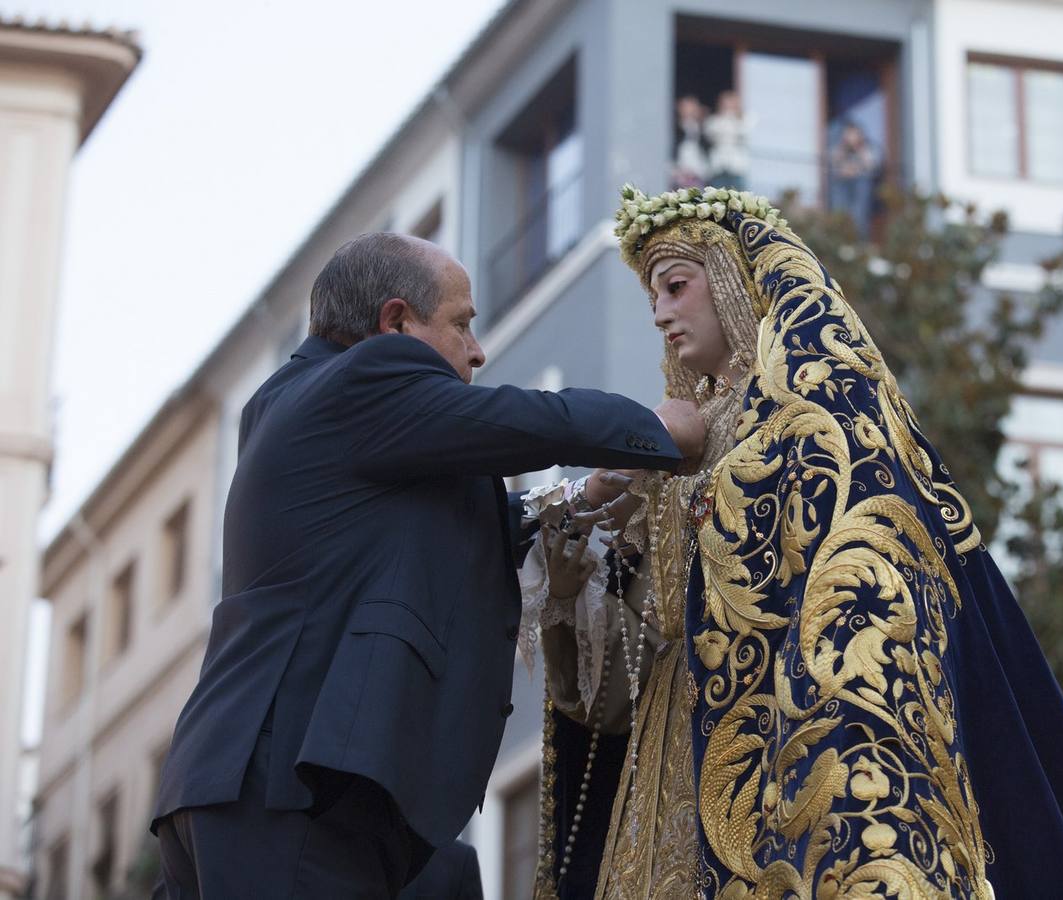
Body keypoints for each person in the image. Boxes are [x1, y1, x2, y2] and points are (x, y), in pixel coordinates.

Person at [527, 185, 1063, 899]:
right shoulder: (666, 436)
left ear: (734, 281)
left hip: (780, 726)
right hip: (669, 746)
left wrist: (700, 478)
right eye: (654, 296)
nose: (660, 313)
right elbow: (635, 639)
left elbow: (833, 550)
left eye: (677, 286)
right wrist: (598, 523)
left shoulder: (813, 414)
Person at [149, 232, 706, 898]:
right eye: (461, 324)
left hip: (241, 786)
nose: (476, 350)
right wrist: (654, 427)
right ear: (394, 323)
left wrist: (579, 496)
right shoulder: (363, 380)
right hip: (289, 789)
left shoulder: (296, 402)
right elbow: (521, 420)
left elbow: (432, 532)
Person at [829, 121, 880, 236]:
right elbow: (835, 166)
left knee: (859, 214)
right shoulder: (840, 148)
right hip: (843, 189)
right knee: (840, 208)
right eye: (848, 134)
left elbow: (871, 166)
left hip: (860, 190)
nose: (851, 138)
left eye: (854, 134)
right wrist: (843, 147)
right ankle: (840, 234)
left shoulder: (867, 148)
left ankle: (859, 239)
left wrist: (859, 148)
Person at [704, 91, 749, 190]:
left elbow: (744, 132)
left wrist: (735, 117)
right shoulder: (714, 119)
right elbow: (711, 135)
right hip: (719, 166)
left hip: (737, 166)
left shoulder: (744, 118)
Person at [672, 94, 709, 189]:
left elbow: (706, 149)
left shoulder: (702, 128)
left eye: (692, 107)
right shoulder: (675, 128)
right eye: (686, 107)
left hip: (698, 171)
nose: (689, 110)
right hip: (679, 171)